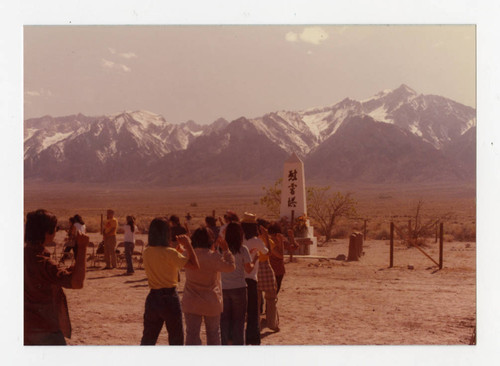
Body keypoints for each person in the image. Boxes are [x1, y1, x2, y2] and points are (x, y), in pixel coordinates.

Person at [24, 209, 89, 345]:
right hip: (46, 329)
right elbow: (77, 283)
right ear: (47, 232)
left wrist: (63, 271)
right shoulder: (44, 262)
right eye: (55, 228)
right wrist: (82, 248)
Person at [140, 217, 199, 345]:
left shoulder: (146, 252)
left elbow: (162, 261)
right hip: (170, 297)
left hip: (153, 297)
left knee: (148, 339)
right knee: (176, 339)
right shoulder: (170, 253)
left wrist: (175, 252)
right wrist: (188, 245)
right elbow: (195, 265)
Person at [181, 227, 235, 345]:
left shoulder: (187, 254)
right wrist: (226, 250)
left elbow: (176, 257)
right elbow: (231, 266)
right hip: (211, 302)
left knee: (192, 334)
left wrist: (185, 244)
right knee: (213, 333)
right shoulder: (214, 256)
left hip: (191, 301)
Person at [220, 222, 257, 345]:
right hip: (239, 288)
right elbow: (249, 269)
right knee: (239, 321)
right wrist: (255, 259)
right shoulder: (243, 249)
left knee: (224, 321)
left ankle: (225, 346)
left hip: (224, 288)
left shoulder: (221, 250)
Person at [241, 212, 268, 345]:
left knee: (239, 312)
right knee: (253, 311)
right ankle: (253, 338)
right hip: (251, 278)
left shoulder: (239, 239)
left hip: (237, 279)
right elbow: (265, 252)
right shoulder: (256, 241)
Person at [256, 223, 279, 332]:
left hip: (253, 270)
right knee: (271, 298)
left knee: (255, 300)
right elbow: (270, 252)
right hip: (265, 267)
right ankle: (272, 324)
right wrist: (266, 236)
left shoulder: (248, 241)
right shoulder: (266, 241)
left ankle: (255, 325)